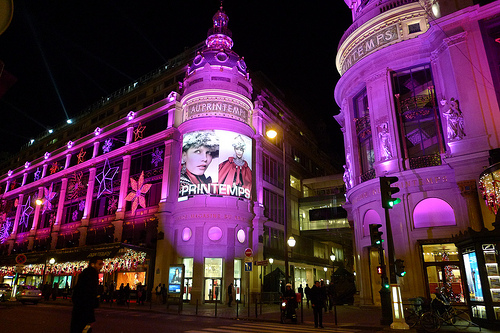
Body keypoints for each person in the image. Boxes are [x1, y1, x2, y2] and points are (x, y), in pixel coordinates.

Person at [179, 130, 219, 196]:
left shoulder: (203, 181)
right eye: (198, 151)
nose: (205, 159)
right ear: (184, 155)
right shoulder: (178, 183)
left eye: (209, 153)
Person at [70, 256, 104, 333]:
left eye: (102, 264)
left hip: (80, 309)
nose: (101, 266)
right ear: (92, 264)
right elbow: (89, 295)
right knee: (84, 329)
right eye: (99, 264)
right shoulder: (92, 275)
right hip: (84, 311)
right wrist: (91, 316)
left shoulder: (86, 273)